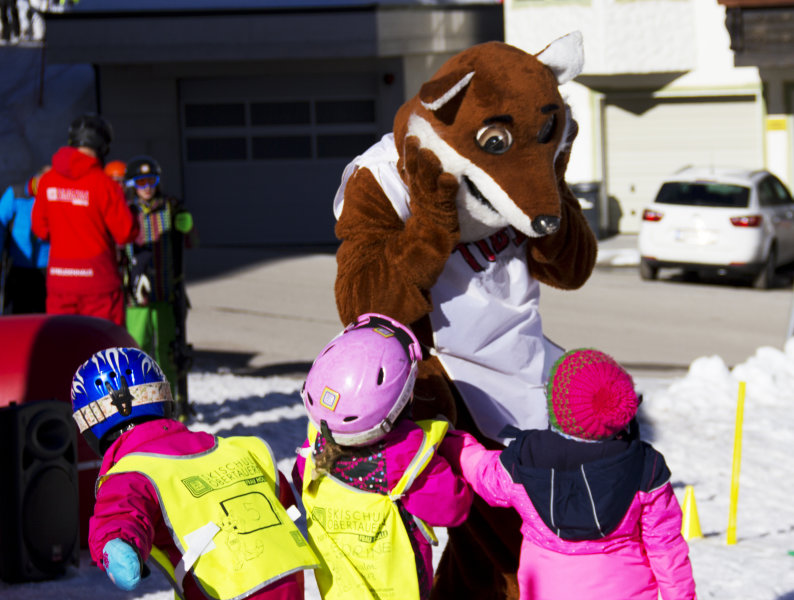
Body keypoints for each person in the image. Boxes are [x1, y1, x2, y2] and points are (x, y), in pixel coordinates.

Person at [442, 348, 697, 600]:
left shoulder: (526, 459)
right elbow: (665, 545)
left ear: (556, 407)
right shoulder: (644, 467)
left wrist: (453, 443)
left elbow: (483, 472)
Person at [70, 346, 318, 599]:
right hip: (286, 578)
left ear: (90, 425)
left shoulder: (129, 474)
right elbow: (284, 501)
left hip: (225, 591)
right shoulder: (233, 448)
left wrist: (117, 547)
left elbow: (120, 515)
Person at [293, 313, 473, 600]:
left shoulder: (315, 443)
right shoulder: (408, 460)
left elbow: (300, 476)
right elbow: (454, 507)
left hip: (339, 590)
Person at [31, 114, 139, 326]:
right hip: (99, 285)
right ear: (103, 145)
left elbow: (39, 229)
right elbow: (126, 232)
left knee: (62, 342)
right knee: (103, 343)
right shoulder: (105, 185)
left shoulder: (47, 182)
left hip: (60, 281)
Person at [122, 155, 194, 418]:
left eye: (151, 181)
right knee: (135, 351)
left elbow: (190, 238)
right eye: (141, 182)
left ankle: (170, 404)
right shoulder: (126, 210)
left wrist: (186, 226)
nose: (147, 187)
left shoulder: (170, 206)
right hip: (136, 297)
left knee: (167, 352)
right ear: (133, 184)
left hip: (165, 292)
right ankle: (137, 408)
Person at [0, 165, 50, 313]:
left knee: (44, 313)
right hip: (18, 266)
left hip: (47, 267)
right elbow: (1, 224)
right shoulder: (16, 194)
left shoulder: (55, 197)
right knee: (18, 313)